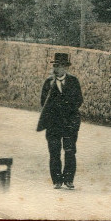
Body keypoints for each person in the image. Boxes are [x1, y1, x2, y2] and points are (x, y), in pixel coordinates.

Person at [36, 52, 84, 189]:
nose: (57, 69)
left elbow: (79, 100)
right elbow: (43, 102)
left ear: (66, 68)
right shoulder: (49, 83)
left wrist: (67, 109)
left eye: (61, 66)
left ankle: (69, 179)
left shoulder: (73, 81)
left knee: (69, 151)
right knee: (54, 152)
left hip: (70, 123)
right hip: (53, 123)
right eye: (56, 66)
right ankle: (57, 180)